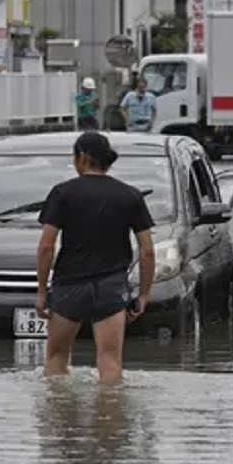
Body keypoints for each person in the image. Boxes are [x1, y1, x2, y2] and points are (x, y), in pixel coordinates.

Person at [35, 132, 156, 384]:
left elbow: (47, 246)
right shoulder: (129, 195)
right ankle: (109, 420)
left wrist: (41, 291)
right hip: (111, 286)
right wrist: (143, 295)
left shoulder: (62, 193)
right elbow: (147, 250)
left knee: (56, 359)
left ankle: (60, 421)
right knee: (110, 361)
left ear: (82, 156)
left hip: (69, 285)